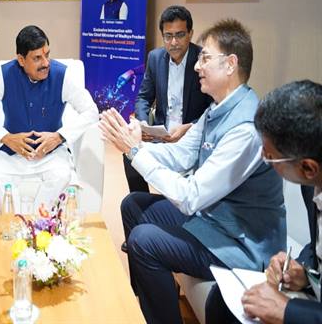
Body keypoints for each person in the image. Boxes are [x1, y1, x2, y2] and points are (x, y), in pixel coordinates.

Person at [99, 19, 286, 324]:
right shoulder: (217, 109)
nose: (197, 65)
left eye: (205, 58)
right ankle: (144, 305)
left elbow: (191, 197)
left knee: (145, 239)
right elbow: (179, 154)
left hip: (239, 245)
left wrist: (134, 152)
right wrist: (136, 144)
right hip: (211, 222)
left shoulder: (245, 128)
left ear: (230, 64)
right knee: (133, 204)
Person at [207, 80, 322, 324]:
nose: (263, 159)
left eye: (270, 158)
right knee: (222, 300)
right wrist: (304, 272)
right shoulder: (311, 183)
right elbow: (317, 246)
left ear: (308, 168)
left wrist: (287, 311)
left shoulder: (309, 175)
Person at [0, 25, 98, 212]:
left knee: (62, 175)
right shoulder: (4, 75)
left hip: (51, 153)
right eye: (37, 58)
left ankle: (35, 221)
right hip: (12, 153)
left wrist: (59, 137)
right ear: (21, 60)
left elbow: (91, 111)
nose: (45, 63)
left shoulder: (62, 75)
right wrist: (6, 138)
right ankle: (18, 221)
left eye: (47, 55)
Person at [124, 6, 212, 194]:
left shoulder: (203, 60)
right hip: (160, 135)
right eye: (168, 36)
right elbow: (143, 97)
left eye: (180, 35)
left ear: (190, 34)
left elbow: (213, 108)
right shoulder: (155, 58)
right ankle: (142, 201)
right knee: (130, 151)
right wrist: (143, 124)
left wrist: (189, 127)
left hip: (190, 137)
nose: (174, 42)